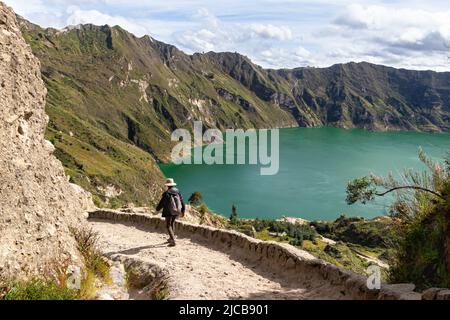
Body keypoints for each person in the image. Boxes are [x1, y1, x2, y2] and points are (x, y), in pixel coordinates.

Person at [156, 178, 186, 246]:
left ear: (167, 185)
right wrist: (183, 211)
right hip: (177, 210)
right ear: (173, 184)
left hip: (168, 211)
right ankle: (171, 238)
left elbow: (162, 203)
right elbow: (182, 201)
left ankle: (173, 241)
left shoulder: (166, 193)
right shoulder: (177, 191)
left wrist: (157, 209)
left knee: (168, 225)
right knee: (172, 223)